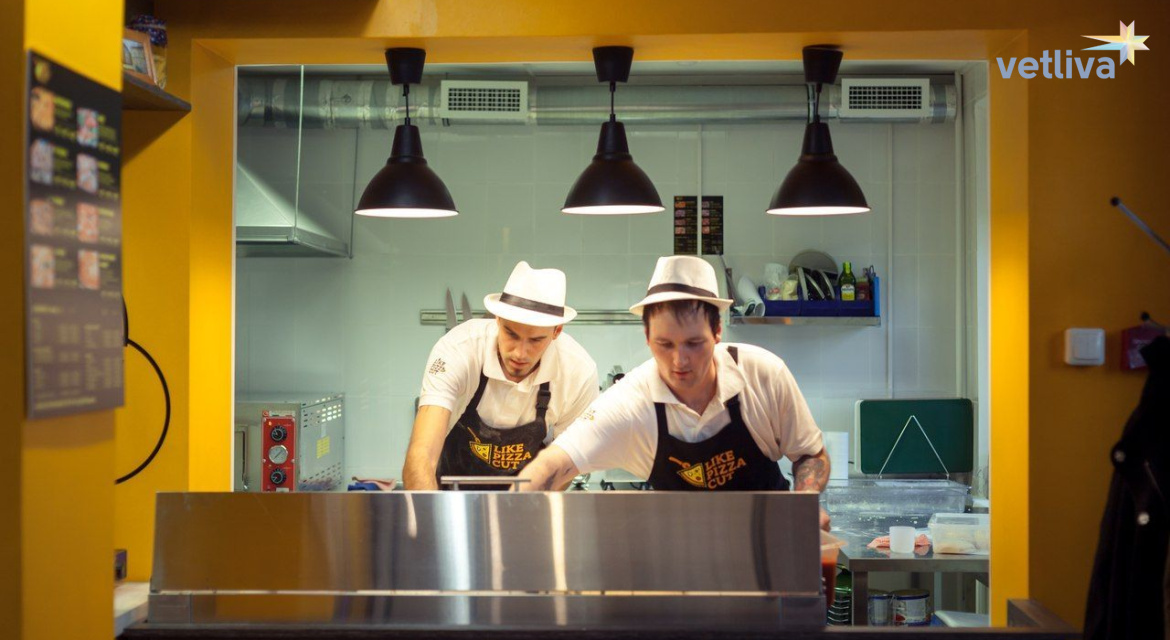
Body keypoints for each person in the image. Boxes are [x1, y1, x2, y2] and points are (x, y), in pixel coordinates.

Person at [518, 256, 832, 527]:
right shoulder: (630, 401)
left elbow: (810, 455)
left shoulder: (763, 375)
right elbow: (554, 464)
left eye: (694, 343)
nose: (679, 361)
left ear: (717, 331)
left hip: (771, 542)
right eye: (664, 344)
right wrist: (509, 515)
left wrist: (805, 502)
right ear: (647, 336)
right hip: (684, 554)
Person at [402, 261, 598, 490]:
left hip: (528, 497)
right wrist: (431, 512)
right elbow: (421, 455)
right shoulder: (458, 350)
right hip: (448, 495)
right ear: (497, 319)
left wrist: (533, 510)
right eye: (511, 334)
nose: (520, 353)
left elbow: (564, 466)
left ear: (557, 331)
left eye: (536, 340)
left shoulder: (578, 372)